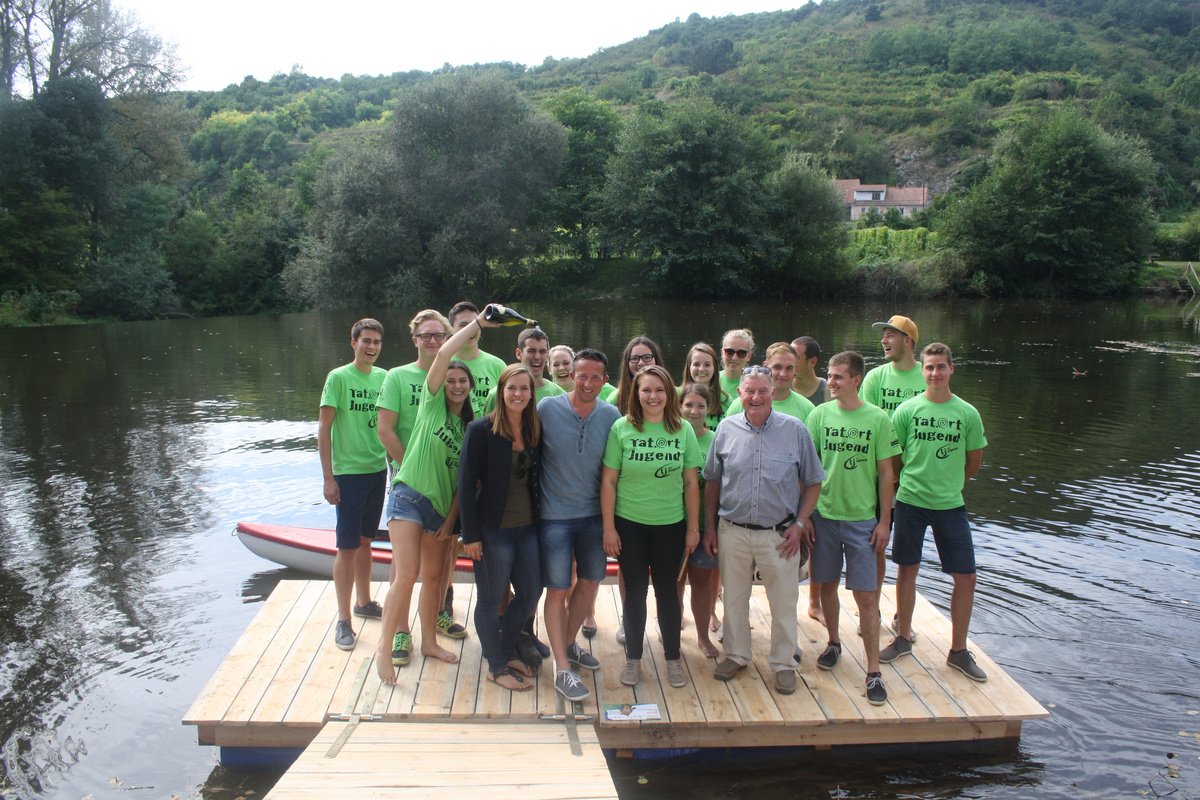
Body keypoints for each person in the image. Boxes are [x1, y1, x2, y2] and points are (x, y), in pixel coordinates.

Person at [376, 309, 501, 684]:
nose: (457, 386)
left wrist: (450, 521)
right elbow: (444, 354)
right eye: (451, 380)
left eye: (463, 381)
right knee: (406, 574)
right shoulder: (430, 406)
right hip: (409, 497)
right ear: (440, 383)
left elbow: (466, 482)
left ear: (471, 386)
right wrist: (477, 325)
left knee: (434, 579)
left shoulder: (472, 428)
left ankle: (429, 642)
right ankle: (384, 649)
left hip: (442, 511)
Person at [702, 367, 824, 696]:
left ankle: (784, 663)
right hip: (733, 530)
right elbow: (712, 480)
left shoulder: (794, 429)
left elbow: (814, 481)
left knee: (783, 602)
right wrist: (710, 527)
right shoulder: (725, 429)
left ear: (773, 392)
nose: (756, 397)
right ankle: (736, 655)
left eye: (762, 391)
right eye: (750, 391)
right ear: (739, 393)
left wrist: (800, 523)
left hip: (780, 534)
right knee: (734, 599)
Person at [881, 342, 989, 682]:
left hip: (950, 505)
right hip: (911, 501)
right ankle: (902, 637)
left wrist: (949, 483)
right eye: (929, 367)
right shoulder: (907, 410)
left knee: (966, 576)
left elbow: (974, 462)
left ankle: (958, 651)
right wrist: (914, 481)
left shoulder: (967, 413)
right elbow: (895, 459)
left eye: (941, 366)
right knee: (907, 569)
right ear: (922, 370)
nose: (935, 373)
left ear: (951, 369)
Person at [806, 351, 901, 706]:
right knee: (827, 585)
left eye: (838, 376)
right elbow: (809, 470)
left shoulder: (878, 419)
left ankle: (873, 670)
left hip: (862, 520)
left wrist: (885, 522)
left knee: (866, 596)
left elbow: (887, 474)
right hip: (825, 516)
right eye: (829, 375)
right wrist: (806, 516)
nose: (830, 382)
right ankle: (834, 642)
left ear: (856, 379)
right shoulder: (819, 415)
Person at [601, 365, 701, 689]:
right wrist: (608, 528)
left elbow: (691, 483)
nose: (653, 396)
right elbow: (609, 481)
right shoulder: (622, 428)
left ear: (669, 393)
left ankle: (672, 658)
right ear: (636, 393)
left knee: (667, 593)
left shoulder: (683, 430)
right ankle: (633, 658)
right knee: (635, 593)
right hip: (629, 525)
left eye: (659, 390)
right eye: (646, 390)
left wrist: (693, 529)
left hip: (670, 525)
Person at [376, 309, 468, 641]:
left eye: (439, 335)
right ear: (414, 339)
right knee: (404, 567)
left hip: (443, 483)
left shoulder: (455, 382)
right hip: (408, 476)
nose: (432, 341)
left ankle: (437, 616)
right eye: (425, 335)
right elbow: (385, 430)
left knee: (440, 564)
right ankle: (400, 630)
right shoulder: (398, 377)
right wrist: (411, 468)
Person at [538, 348, 621, 702]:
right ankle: (562, 669)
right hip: (554, 516)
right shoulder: (547, 408)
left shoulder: (611, 415)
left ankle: (569, 644)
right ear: (571, 376)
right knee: (558, 589)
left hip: (593, 516)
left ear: (605, 381)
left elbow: (614, 471)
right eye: (581, 375)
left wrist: (611, 523)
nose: (588, 383)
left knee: (590, 582)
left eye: (595, 377)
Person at [458, 364, 544, 693]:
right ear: (501, 391)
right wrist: (471, 535)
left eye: (524, 388)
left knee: (530, 592)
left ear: (531, 393)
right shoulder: (481, 430)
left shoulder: (534, 428)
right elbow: (465, 485)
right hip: (493, 530)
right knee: (491, 598)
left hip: (528, 528)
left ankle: (507, 651)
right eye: (512, 388)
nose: (518, 394)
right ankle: (495, 666)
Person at [318, 318, 387, 651]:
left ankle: (364, 601)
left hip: (377, 470)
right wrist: (328, 477)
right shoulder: (339, 378)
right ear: (353, 343)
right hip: (348, 473)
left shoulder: (385, 377)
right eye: (366, 341)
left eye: (376, 342)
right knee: (347, 546)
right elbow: (324, 428)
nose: (371, 347)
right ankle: (343, 619)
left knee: (365, 540)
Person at [861, 314, 925, 633]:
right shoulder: (875, 377)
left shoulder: (926, 376)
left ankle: (903, 617)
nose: (884, 341)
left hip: (914, 480)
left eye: (890, 335)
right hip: (880, 476)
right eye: (884, 335)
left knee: (908, 555)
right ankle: (873, 613)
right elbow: (866, 424)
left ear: (908, 341)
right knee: (876, 545)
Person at [676, 382, 720, 657]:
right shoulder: (671, 435)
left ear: (709, 408)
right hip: (672, 523)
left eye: (700, 406)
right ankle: (673, 629)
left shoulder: (716, 439)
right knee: (674, 582)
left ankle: (703, 637)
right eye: (688, 405)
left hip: (705, 526)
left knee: (702, 582)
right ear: (679, 406)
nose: (694, 411)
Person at [724, 342, 815, 423]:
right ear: (765, 366)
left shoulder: (807, 409)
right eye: (777, 367)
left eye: (789, 368)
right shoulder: (742, 404)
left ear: (796, 369)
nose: (783, 374)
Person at [481, 327, 566, 413]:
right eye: (531, 351)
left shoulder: (559, 395)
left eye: (542, 351)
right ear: (519, 353)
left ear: (547, 356)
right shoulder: (496, 395)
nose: (537, 357)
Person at [448, 301, 508, 416]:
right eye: (463, 325)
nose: (471, 330)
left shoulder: (497, 365)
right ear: (451, 329)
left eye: (474, 324)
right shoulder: (442, 364)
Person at [680, 342, 729, 430]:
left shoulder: (726, 400)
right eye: (696, 364)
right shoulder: (676, 396)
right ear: (689, 366)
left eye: (707, 365)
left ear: (714, 368)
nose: (701, 369)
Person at [612, 336, 666, 415]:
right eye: (634, 358)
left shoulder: (674, 393)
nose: (641, 363)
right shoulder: (615, 398)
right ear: (627, 363)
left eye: (647, 357)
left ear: (656, 360)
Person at [718, 328, 755, 400]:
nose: (734, 358)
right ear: (722, 353)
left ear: (749, 356)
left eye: (741, 353)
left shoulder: (756, 384)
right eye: (729, 352)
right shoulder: (711, 380)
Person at [791, 336, 828, 406]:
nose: (790, 362)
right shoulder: (782, 386)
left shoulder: (828, 392)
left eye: (797, 358)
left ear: (813, 362)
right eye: (790, 356)